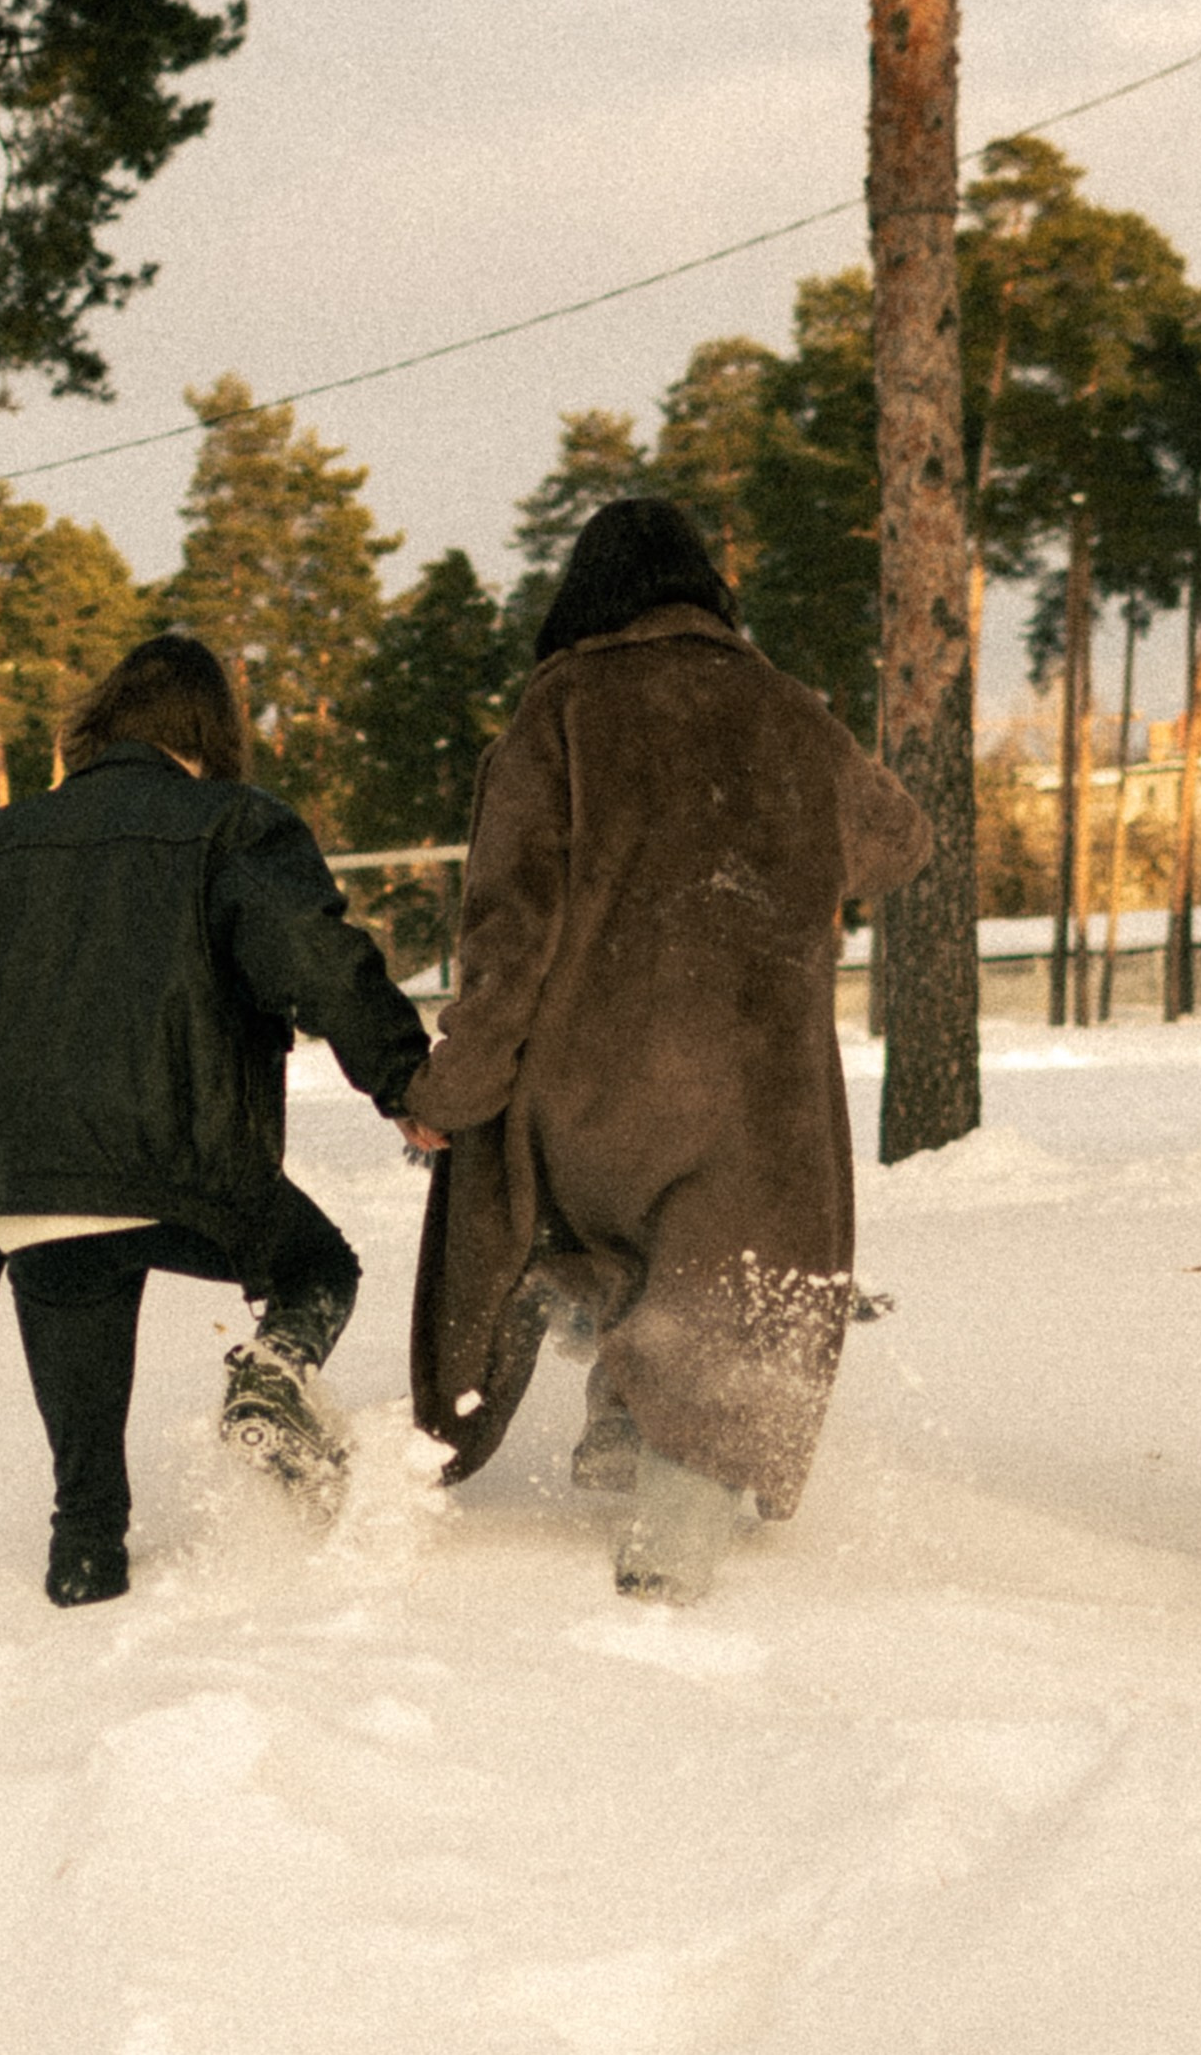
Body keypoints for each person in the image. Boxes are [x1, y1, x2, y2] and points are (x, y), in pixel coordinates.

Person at [0, 633, 432, 1610]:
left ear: (96, 730)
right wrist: (402, 1080)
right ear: (209, 735)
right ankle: (272, 1369)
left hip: (40, 1191)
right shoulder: (232, 825)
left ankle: (83, 1596)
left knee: (84, 1503)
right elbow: (313, 958)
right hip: (199, 1177)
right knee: (316, 1267)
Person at [398, 498, 930, 1602]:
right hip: (752, 1094)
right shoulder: (785, 710)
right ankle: (665, 1551)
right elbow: (897, 837)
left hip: (586, 1088)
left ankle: (616, 1414)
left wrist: (451, 1088)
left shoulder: (557, 712)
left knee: (565, 1228)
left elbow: (506, 932)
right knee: (726, 1291)